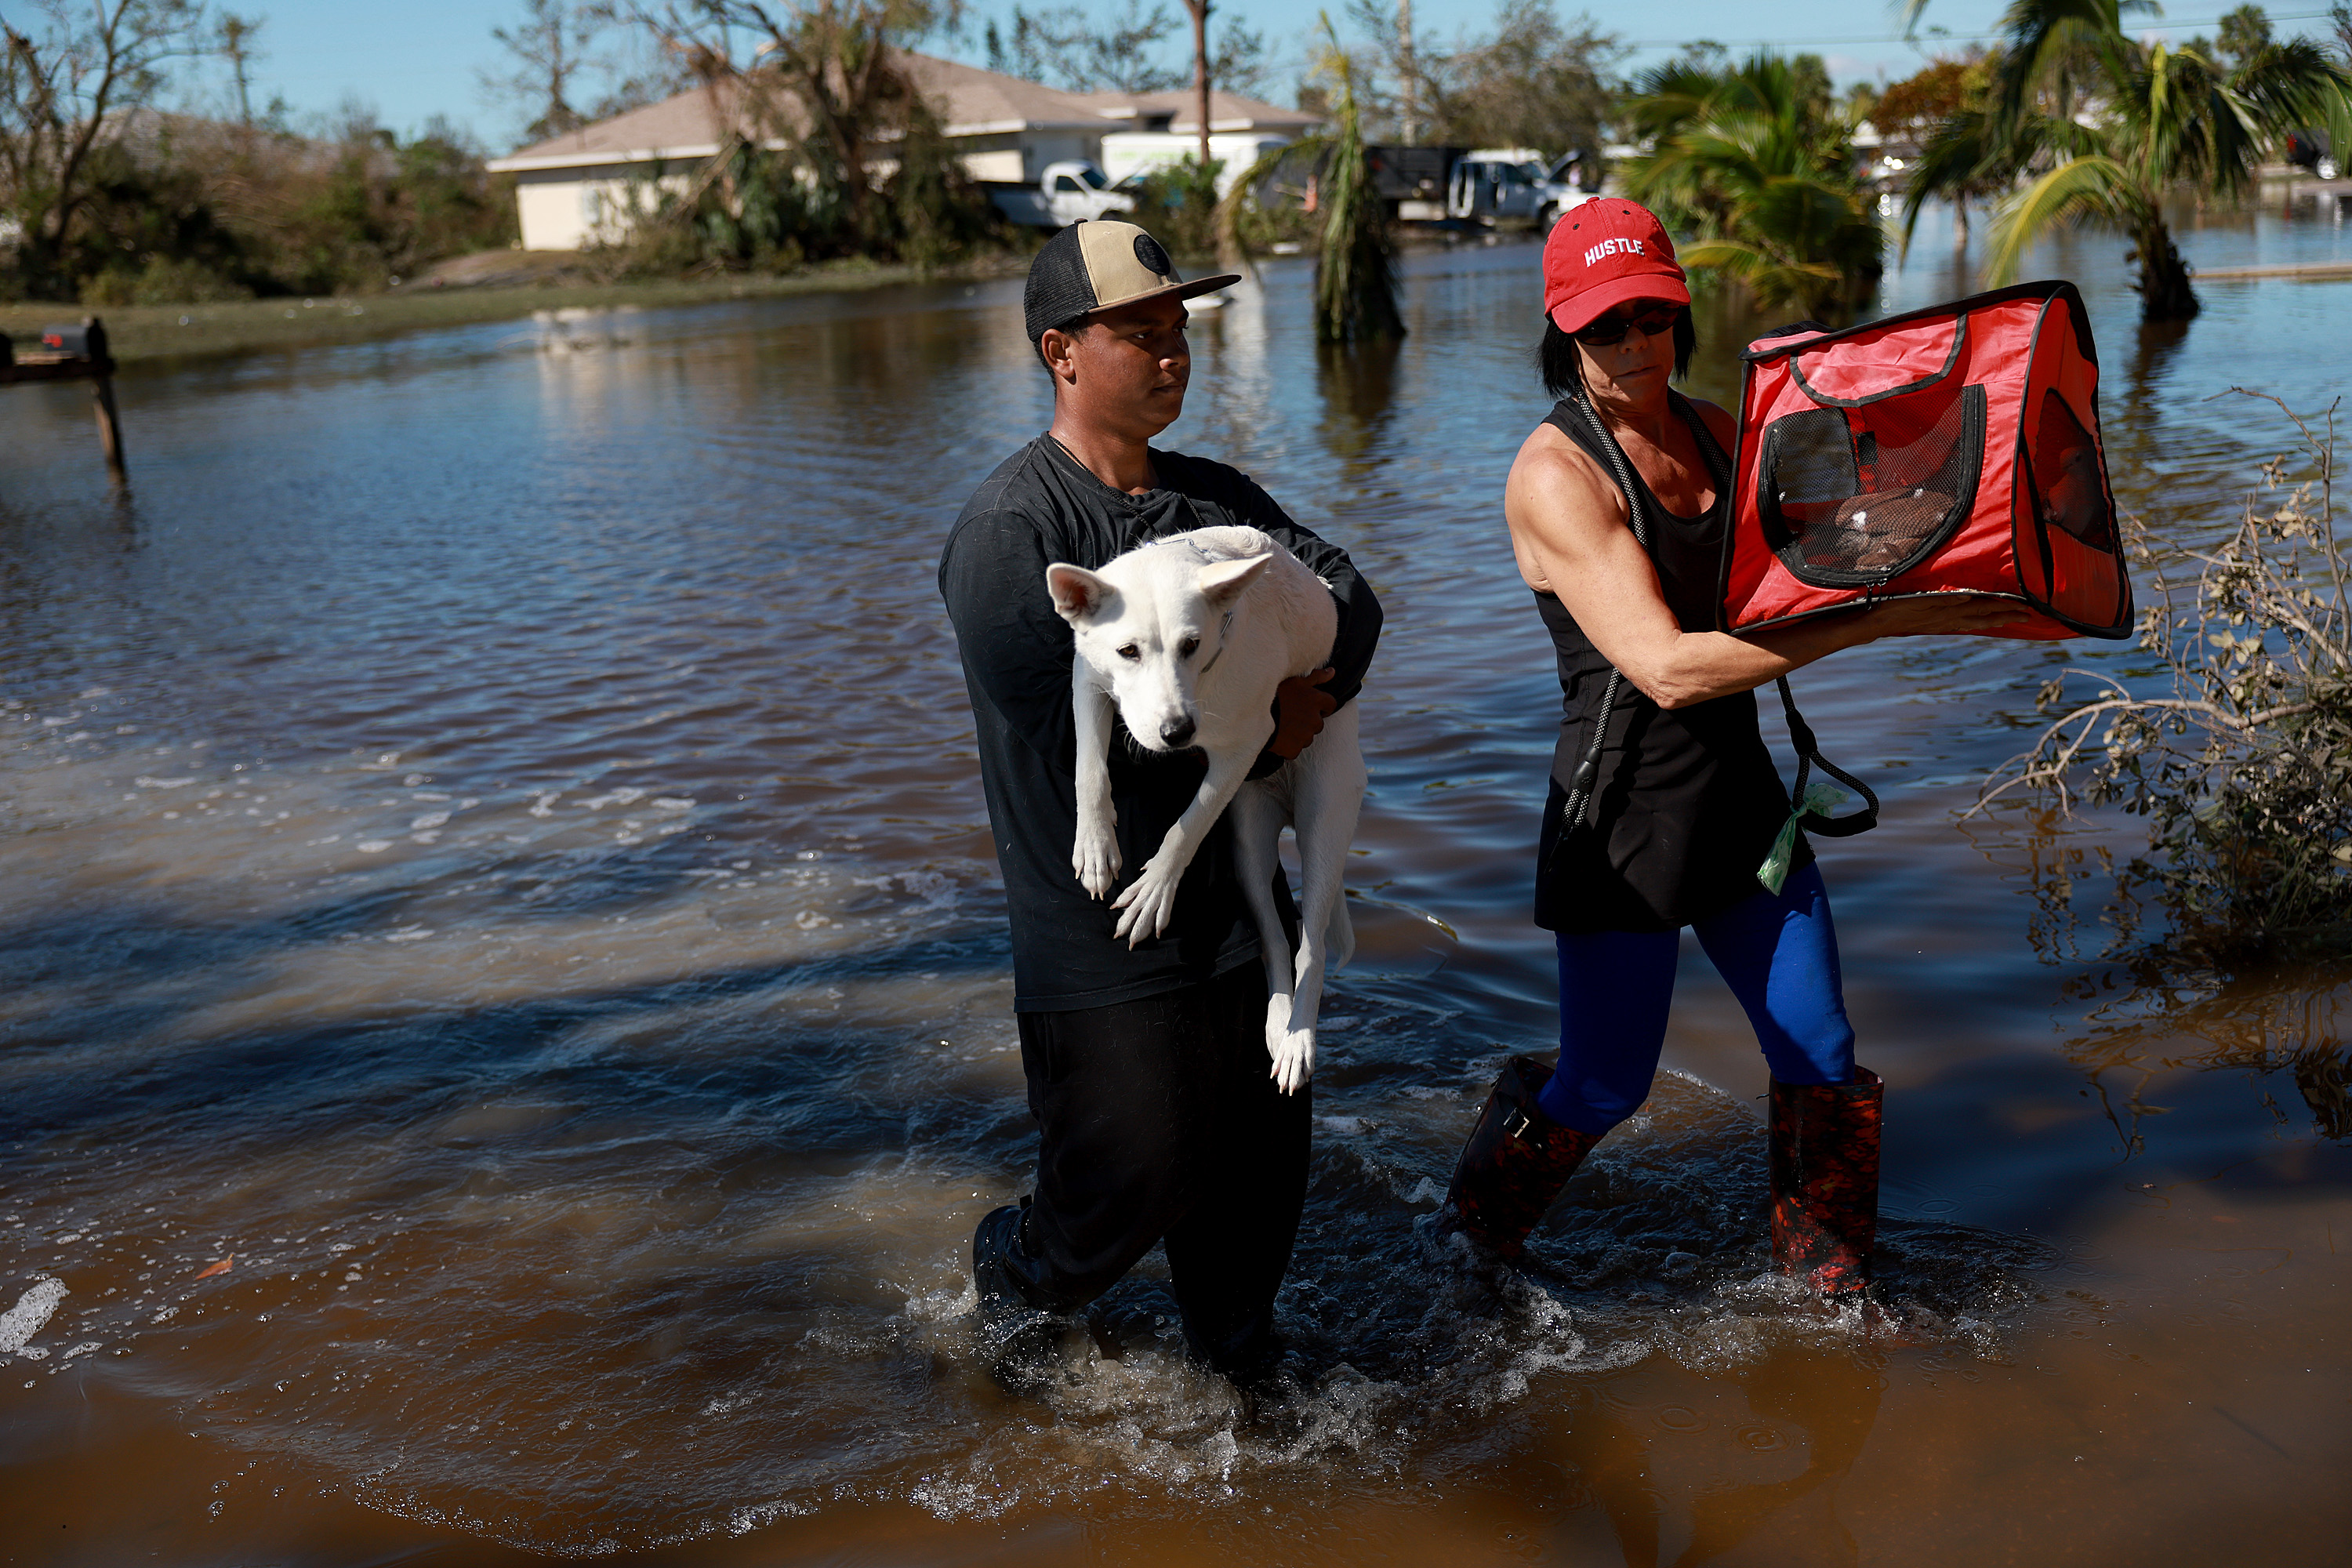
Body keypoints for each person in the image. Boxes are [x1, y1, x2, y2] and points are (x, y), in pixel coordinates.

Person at [1432, 201, 2022, 1294]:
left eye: (1655, 315)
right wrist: (1877, 624)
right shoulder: (1557, 477)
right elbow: (1665, 667)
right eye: (1609, 326)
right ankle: (1472, 1233)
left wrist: (1960, 553)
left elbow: (1845, 550)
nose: (1637, 344)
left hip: (1742, 798)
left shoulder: (1721, 431)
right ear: (1566, 333)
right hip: (1626, 816)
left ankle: (1832, 1293)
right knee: (1609, 1087)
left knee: (1824, 1059)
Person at [938, 221, 1382, 1385]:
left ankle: (1248, 1403)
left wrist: (1307, 686)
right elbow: (1080, 734)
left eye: (1180, 330)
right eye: (1140, 333)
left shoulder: (1213, 498)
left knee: (1257, 1194)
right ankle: (1017, 1279)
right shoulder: (1012, 537)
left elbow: (1348, 593)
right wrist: (1273, 718)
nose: (1174, 354)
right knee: (1120, 1193)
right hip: (1100, 939)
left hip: (1241, 912)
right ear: (1062, 352)